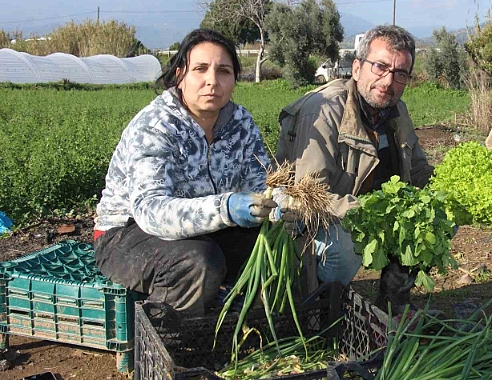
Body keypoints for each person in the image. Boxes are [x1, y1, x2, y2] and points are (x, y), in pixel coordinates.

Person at [93, 29, 277, 317]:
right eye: (200, 69)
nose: (212, 81)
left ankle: (247, 332)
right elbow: (150, 210)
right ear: (180, 75)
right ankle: (170, 345)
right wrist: (225, 207)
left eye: (224, 71)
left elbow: (262, 181)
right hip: (126, 232)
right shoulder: (156, 126)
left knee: (275, 246)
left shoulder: (240, 123)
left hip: (207, 229)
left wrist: (279, 206)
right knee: (198, 262)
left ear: (234, 81)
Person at [275, 25, 434, 310]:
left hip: (373, 214)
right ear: (358, 68)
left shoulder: (397, 111)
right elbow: (308, 197)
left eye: (400, 74)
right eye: (380, 67)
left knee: (435, 219)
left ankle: (393, 303)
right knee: (346, 247)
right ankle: (322, 308)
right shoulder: (323, 111)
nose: (388, 81)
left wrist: (448, 193)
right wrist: (370, 213)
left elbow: (419, 170)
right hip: (315, 224)